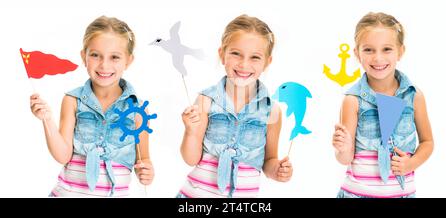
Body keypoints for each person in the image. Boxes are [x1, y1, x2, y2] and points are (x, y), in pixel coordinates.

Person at [30, 15, 154, 197]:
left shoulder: (138, 110)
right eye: (95, 55)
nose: (104, 65)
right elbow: (62, 155)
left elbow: (144, 160)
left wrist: (147, 173)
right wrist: (47, 120)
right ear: (84, 56)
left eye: (114, 57)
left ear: (128, 60)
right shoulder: (73, 100)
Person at [177, 14, 293, 198]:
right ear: (222, 54)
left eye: (255, 57)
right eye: (235, 53)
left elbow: (268, 161)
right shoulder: (206, 100)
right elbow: (190, 159)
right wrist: (190, 131)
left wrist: (277, 170)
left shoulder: (272, 111)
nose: (244, 64)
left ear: (267, 62)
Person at [332, 12, 434, 198]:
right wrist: (342, 148)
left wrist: (412, 163)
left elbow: (428, 142)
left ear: (400, 52)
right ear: (357, 53)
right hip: (356, 194)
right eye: (368, 50)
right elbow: (345, 159)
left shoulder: (414, 96)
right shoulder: (352, 100)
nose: (378, 58)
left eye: (386, 49)